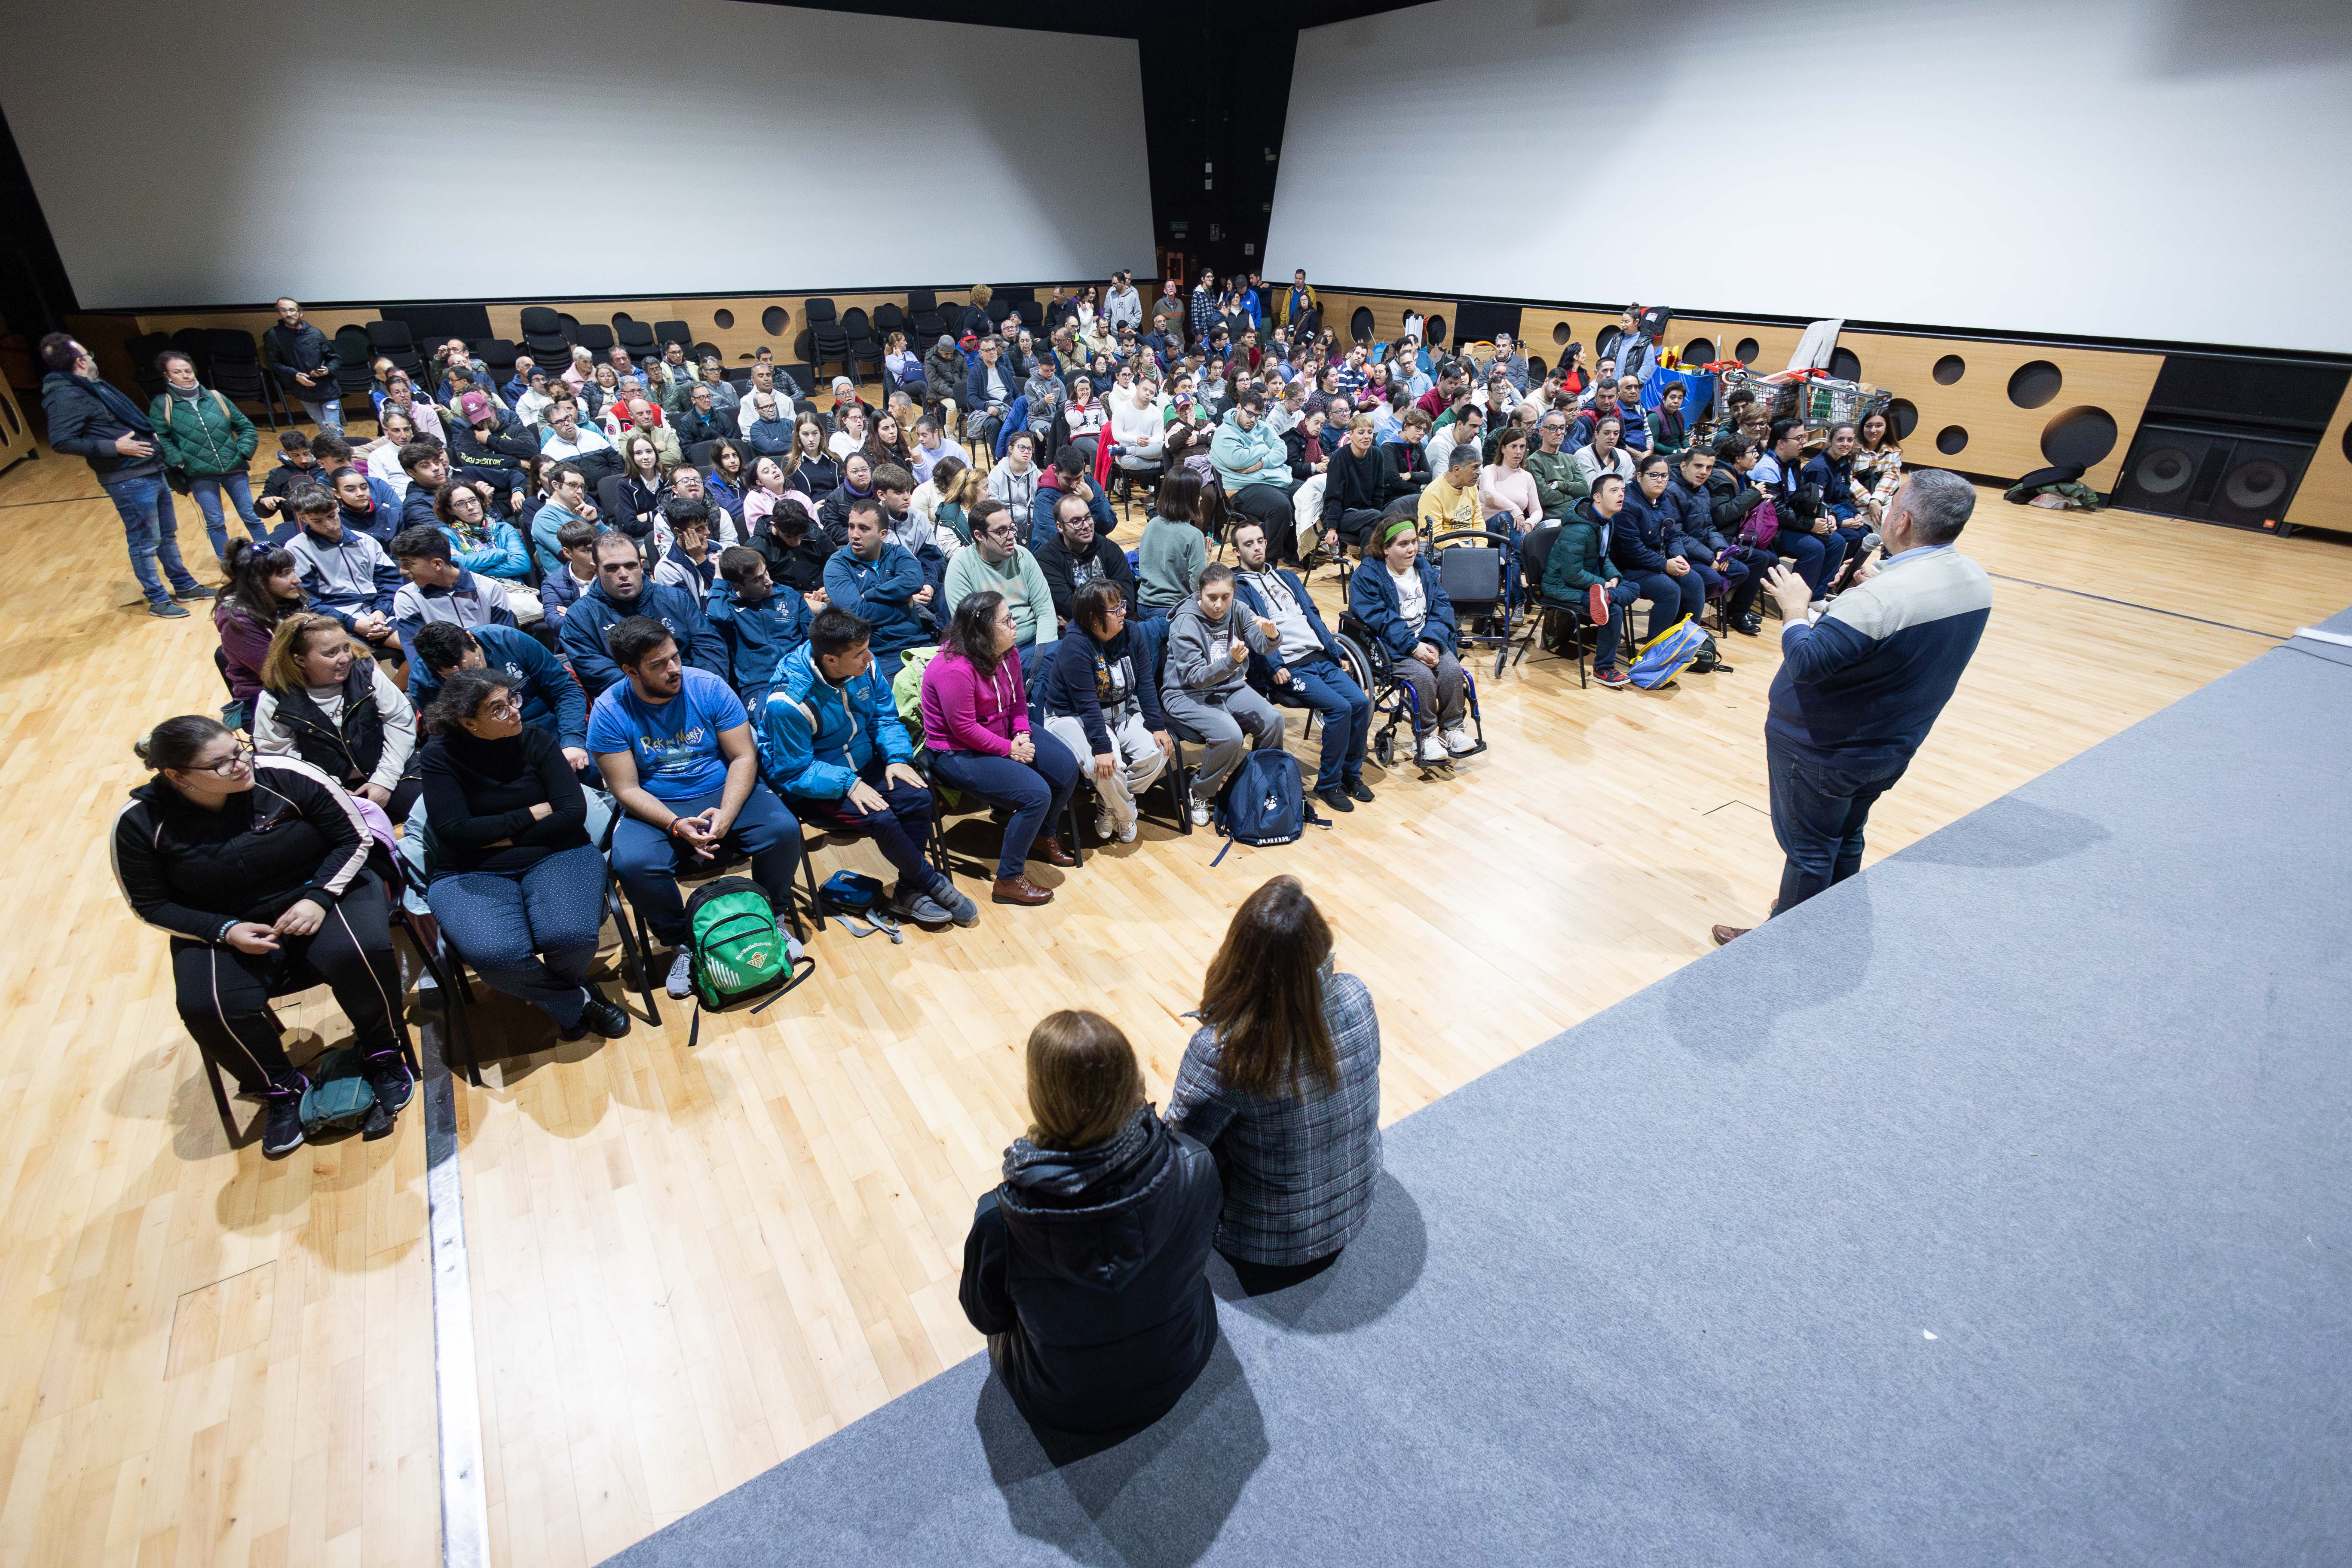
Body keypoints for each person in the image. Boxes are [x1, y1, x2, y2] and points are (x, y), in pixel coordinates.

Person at [1715, 472, 1992, 944]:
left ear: (1902, 521)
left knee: (1809, 851)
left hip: (1824, 749)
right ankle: (1827, 923)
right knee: (1845, 835)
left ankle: (1786, 945)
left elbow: (1806, 661)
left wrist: (1795, 609)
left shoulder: (1881, 601)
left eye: (1892, 503)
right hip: (1891, 746)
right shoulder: (1975, 580)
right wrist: (1871, 586)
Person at [113, 716, 409, 1158]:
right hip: (226, 920)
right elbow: (150, 905)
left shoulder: (286, 775)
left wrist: (319, 898)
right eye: (221, 764)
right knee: (206, 1005)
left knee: (359, 952)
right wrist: (225, 931)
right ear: (176, 776)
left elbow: (355, 837)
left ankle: (383, 1052)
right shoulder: (138, 823)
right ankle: (280, 1091)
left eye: (238, 749)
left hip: (321, 890)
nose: (240, 764)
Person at [960, 1008, 1220, 1433]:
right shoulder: (1195, 1162)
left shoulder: (1000, 1219)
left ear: (1039, 1096)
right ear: (1131, 1082)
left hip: (1061, 1404)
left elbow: (988, 1319)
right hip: (1182, 1362)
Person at [1164, 875, 1380, 1287]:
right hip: (1356, 1204)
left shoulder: (1225, 1049)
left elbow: (1177, 1153)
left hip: (1270, 1245)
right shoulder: (1357, 994)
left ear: (1238, 953)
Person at [589, 616, 803, 997]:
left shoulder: (708, 686)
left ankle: (773, 918)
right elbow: (625, 788)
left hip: (724, 788)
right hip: (658, 802)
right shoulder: (609, 711)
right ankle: (684, 943)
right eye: (658, 665)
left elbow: (742, 758)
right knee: (633, 864)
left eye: (674, 656)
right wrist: (674, 824)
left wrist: (728, 812)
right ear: (630, 671)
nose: (674, 669)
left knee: (783, 831)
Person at [415, 668, 628, 1038]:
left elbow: (571, 813)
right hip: (470, 870)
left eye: (512, 700)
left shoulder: (537, 739)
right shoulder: (438, 757)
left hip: (559, 854)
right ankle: (577, 1000)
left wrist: (501, 836)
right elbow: (455, 832)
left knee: (572, 937)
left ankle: (565, 1003)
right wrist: (530, 813)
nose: (514, 711)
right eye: (498, 709)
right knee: (497, 958)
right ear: (469, 723)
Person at [757, 607, 977, 928]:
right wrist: (847, 783)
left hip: (865, 765)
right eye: (859, 653)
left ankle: (909, 892)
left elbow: (885, 718)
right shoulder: (788, 703)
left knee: (919, 797)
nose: (870, 658)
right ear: (831, 660)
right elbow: (792, 772)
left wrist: (897, 758)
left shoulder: (866, 668)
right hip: (815, 784)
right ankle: (931, 882)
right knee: (882, 816)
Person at [920, 592, 1082, 905]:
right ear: (982, 631)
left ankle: (1040, 834)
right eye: (1006, 620)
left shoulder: (1007, 652)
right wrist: (1010, 749)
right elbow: (964, 729)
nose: (1014, 624)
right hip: (956, 751)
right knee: (1037, 794)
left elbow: (1020, 701)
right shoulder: (953, 668)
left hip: (1004, 731)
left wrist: (1021, 733)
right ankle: (1008, 880)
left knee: (1066, 768)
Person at [39, 333, 213, 619]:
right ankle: (158, 599)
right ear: (81, 362)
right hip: (127, 478)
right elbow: (60, 440)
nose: (92, 358)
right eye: (88, 353)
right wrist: (115, 446)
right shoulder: (65, 394)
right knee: (145, 542)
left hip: (148, 470)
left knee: (167, 536)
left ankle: (183, 586)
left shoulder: (91, 387)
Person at [1229, 520, 1373, 812]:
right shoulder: (1239, 587)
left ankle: (1350, 775)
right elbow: (1248, 630)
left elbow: (1314, 616)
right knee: (1339, 708)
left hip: (1320, 658)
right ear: (1236, 552)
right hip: (1289, 667)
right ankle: (1329, 784)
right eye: (1248, 544)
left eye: (1260, 541)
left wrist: (1334, 653)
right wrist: (1272, 666)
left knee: (1359, 702)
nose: (1257, 547)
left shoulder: (1288, 577)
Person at [1039, 579, 1174, 845]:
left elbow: (1146, 681)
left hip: (1122, 710)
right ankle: (1126, 813)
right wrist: (1102, 748)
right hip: (1072, 715)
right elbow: (1087, 703)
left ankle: (1109, 802)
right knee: (1101, 765)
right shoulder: (1075, 646)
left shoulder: (1131, 632)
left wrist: (1157, 725)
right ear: (1093, 618)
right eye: (1115, 610)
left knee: (1159, 750)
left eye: (1122, 605)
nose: (1123, 612)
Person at [252, 612, 423, 820]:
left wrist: (384, 781)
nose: (345, 658)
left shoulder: (367, 674)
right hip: (323, 791)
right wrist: (333, 791)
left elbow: (399, 722)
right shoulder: (275, 699)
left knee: (426, 805)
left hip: (390, 772)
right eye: (331, 653)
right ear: (300, 661)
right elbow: (281, 758)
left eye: (346, 647)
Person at [1161, 562, 1286, 825]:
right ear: (1199, 594)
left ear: (1233, 594)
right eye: (1212, 598)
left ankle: (1259, 784)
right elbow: (1194, 678)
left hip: (1228, 686)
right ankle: (1200, 792)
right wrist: (1231, 662)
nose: (1219, 605)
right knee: (1230, 735)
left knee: (1273, 721)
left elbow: (1263, 646)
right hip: (1185, 694)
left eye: (1225, 597)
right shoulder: (1186, 622)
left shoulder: (1238, 609)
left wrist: (1273, 635)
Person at [1348, 518, 1474, 767]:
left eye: (1415, 542)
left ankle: (1452, 729)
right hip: (1390, 646)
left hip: (1427, 639)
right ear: (1385, 548)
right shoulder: (1368, 576)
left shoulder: (1423, 568)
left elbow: (1442, 607)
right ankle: (1425, 736)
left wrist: (1433, 643)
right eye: (1403, 544)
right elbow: (1379, 619)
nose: (1412, 549)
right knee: (1423, 677)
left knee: (1451, 670)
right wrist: (1413, 647)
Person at [562, 532, 727, 699]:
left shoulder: (675, 599)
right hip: (633, 705)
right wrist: (660, 692)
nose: (623, 574)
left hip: (696, 693)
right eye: (612, 568)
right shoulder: (580, 617)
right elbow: (599, 675)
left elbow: (710, 647)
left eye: (631, 566)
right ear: (595, 570)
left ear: (642, 566)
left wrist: (700, 690)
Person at [408, 621, 590, 770]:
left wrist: (572, 740)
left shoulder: (509, 639)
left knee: (585, 767)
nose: (472, 676)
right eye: (456, 675)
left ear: (471, 638)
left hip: (545, 728)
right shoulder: (423, 681)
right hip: (486, 745)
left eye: (473, 666)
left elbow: (565, 690)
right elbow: (449, 733)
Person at [150, 349, 264, 561]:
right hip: (199, 475)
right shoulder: (162, 404)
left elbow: (246, 427)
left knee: (252, 516)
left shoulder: (216, 397)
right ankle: (228, 564)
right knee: (215, 522)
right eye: (178, 372)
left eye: (188, 370)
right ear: (167, 376)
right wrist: (180, 461)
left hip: (234, 469)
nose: (186, 376)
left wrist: (243, 451)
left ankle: (268, 555)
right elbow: (161, 439)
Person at [1541, 472, 1641, 689]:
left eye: (1623, 490)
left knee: (1633, 585)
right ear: (1597, 497)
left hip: (1590, 583)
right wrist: (1602, 583)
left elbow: (1602, 557)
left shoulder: (1606, 522)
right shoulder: (1579, 529)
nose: (1621, 495)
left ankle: (1607, 596)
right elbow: (1572, 574)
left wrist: (1613, 577)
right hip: (1560, 586)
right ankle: (1603, 669)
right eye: (1614, 491)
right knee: (1613, 610)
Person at [942, 498, 1057, 681]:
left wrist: (1043, 654)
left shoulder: (1024, 556)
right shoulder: (961, 566)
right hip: (992, 655)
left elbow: (1044, 610)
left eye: (1011, 528)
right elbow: (969, 627)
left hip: (1035, 645)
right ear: (980, 536)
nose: (1011, 536)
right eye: (1001, 531)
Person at [1612, 452, 1712, 657]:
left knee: (1694, 581)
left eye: (1665, 476)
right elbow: (1632, 550)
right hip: (1628, 567)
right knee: (1669, 590)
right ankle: (1654, 653)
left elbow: (1673, 534)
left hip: (1656, 562)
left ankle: (1683, 643)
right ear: (1639, 476)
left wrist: (1679, 557)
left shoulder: (1664, 499)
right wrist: (1665, 565)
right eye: (1654, 475)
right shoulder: (1628, 504)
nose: (1661, 480)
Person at [283, 485, 402, 656]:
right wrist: (353, 624)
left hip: (380, 614)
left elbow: (390, 581)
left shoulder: (366, 541)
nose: (329, 525)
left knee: (426, 644)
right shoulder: (296, 549)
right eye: (318, 521)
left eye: (331, 516)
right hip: (336, 623)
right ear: (303, 518)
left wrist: (381, 611)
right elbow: (308, 602)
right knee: (415, 649)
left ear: (336, 505)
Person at [822, 498, 934, 677]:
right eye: (852, 526)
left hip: (918, 643)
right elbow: (857, 613)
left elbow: (914, 580)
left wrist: (870, 595)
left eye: (864, 528)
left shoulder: (897, 553)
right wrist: (904, 605)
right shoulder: (838, 565)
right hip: (875, 653)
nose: (855, 534)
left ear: (883, 534)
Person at [1664, 444, 1769, 637]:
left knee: (1741, 570)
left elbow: (1709, 527)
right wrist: (1709, 558)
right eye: (1698, 466)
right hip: (1678, 554)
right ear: (1683, 466)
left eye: (1709, 468)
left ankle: (1688, 616)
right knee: (1712, 579)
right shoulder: (1671, 491)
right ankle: (1681, 626)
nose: (1704, 472)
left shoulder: (1703, 491)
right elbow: (1676, 535)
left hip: (1701, 551)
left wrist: (1720, 550)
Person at [388, 526, 518, 668]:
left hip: (492, 670)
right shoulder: (407, 598)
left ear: (437, 564)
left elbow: (505, 645)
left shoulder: (490, 589)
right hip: (442, 677)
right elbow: (418, 658)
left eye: (409, 564)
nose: (402, 570)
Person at [707, 545, 815, 710]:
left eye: (766, 572)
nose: (768, 582)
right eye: (757, 580)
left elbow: (813, 638)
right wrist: (719, 579)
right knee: (775, 715)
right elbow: (717, 616)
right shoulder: (729, 607)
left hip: (799, 675)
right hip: (760, 686)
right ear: (737, 587)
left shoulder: (789, 596)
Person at [1755, 418, 1846, 602]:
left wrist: (1827, 515)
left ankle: (1816, 597)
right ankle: (1795, 601)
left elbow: (1808, 497)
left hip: (1792, 522)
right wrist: (1811, 525)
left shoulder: (1792, 464)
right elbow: (1776, 512)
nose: (1803, 442)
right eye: (1799, 438)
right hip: (1770, 528)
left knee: (1837, 541)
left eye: (1803, 437)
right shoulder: (1765, 468)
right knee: (1813, 548)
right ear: (1781, 443)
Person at [214, 539, 306, 719]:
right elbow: (278, 674)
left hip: (306, 681)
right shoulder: (238, 621)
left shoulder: (288, 598)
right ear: (258, 582)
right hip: (268, 700)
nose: (297, 580)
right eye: (285, 574)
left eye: (293, 571)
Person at [1034, 491, 1139, 630]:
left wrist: (1078, 621)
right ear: (1060, 526)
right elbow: (1068, 606)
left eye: (1088, 518)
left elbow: (1128, 604)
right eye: (1076, 521)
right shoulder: (1047, 559)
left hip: (1116, 628)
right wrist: (1110, 611)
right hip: (1079, 637)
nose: (1086, 526)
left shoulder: (1110, 550)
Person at [1136, 469, 1211, 615]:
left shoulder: (1152, 524)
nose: (1201, 498)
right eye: (1198, 494)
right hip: (1172, 611)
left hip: (1142, 605)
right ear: (1187, 499)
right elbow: (1197, 586)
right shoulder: (1194, 535)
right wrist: (1206, 562)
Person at [264, 298, 342, 429]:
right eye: (283, 311)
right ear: (279, 313)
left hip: (328, 389)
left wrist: (327, 370)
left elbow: (335, 359)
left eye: (292, 310)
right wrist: (295, 375)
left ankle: (337, 448)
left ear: (300, 313)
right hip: (303, 391)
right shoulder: (274, 335)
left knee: (334, 430)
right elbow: (273, 364)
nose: (288, 314)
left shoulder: (315, 333)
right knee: (324, 428)